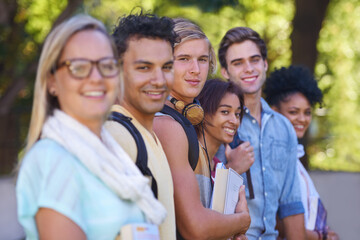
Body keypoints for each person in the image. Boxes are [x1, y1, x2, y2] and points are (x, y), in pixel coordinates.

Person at [16, 15, 166, 240]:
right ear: (52, 81)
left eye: (106, 65)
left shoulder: (110, 156)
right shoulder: (53, 159)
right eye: (78, 67)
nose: (96, 77)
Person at [153, 18, 250, 240]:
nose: (195, 70)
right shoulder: (167, 125)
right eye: (184, 59)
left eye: (203, 59)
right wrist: (242, 221)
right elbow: (195, 229)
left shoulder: (186, 122)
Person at [218, 26, 306, 240]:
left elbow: (291, 204)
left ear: (265, 64)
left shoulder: (284, 128)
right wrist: (232, 170)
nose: (248, 68)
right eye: (238, 63)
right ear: (225, 72)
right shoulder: (217, 121)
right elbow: (206, 199)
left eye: (254, 60)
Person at [104, 12, 178, 239]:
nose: (159, 80)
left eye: (166, 67)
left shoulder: (147, 135)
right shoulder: (117, 137)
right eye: (144, 68)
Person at [264, 65, 340, 240]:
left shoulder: (295, 158)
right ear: (275, 112)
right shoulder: (272, 157)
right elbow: (271, 219)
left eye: (307, 112)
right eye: (293, 112)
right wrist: (320, 237)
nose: (302, 119)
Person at [196, 78, 255, 179]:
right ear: (202, 112)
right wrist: (234, 169)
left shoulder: (216, 164)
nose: (234, 121)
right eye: (225, 112)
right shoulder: (190, 162)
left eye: (237, 114)